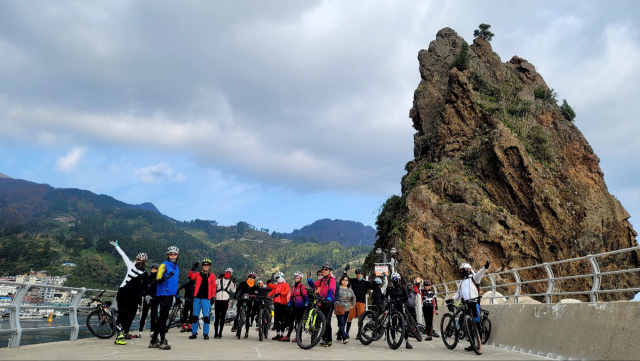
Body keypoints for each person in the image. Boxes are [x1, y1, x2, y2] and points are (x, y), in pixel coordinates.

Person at [109, 240, 147, 345]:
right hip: (123, 292)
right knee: (122, 313)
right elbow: (123, 255)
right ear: (137, 259)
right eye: (140, 260)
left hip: (134, 295)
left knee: (131, 314)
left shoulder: (144, 273)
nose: (141, 262)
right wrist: (117, 246)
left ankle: (126, 332)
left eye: (143, 260)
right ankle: (119, 335)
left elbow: (144, 286)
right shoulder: (130, 266)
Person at [453, 261, 490, 352]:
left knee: (476, 323)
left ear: (468, 269)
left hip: (474, 303)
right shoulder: (461, 283)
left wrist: (485, 267)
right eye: (461, 270)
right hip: (466, 305)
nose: (462, 272)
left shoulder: (474, 279)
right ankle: (472, 344)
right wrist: (451, 300)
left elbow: (480, 273)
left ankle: (478, 344)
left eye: (463, 270)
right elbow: (458, 294)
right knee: (469, 325)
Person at [150, 246, 180, 350]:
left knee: (163, 318)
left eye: (175, 254)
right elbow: (158, 279)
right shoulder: (164, 265)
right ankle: (162, 341)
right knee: (163, 319)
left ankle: (154, 340)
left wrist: (177, 295)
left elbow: (174, 283)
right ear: (168, 255)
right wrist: (165, 277)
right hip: (163, 295)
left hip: (170, 295)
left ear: (177, 255)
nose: (173, 256)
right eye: (171, 254)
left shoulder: (176, 267)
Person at [307, 262, 336, 347]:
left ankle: (329, 340)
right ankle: (324, 339)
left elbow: (331, 290)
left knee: (327, 322)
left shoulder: (332, 280)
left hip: (329, 303)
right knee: (322, 321)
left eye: (326, 269)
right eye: (323, 269)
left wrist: (329, 298)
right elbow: (313, 285)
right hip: (322, 302)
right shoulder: (322, 280)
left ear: (329, 271)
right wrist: (309, 278)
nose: (324, 270)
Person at [188, 258, 216, 340]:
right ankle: (194, 333)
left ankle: (205, 333)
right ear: (202, 266)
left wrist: (213, 297)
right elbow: (190, 278)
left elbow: (214, 287)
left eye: (207, 265)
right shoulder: (197, 274)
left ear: (209, 267)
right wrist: (192, 269)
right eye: (204, 265)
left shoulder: (212, 276)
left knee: (206, 317)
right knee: (195, 316)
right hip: (197, 298)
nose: (206, 267)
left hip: (206, 299)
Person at [343, 266, 372, 340]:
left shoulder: (366, 283)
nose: (358, 275)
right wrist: (345, 272)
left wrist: (376, 281)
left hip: (361, 301)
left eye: (359, 274)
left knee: (361, 318)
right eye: (356, 274)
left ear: (362, 274)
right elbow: (345, 279)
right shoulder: (353, 281)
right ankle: (347, 333)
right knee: (350, 318)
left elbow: (373, 286)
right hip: (353, 301)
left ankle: (359, 334)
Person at [386, 272, 413, 349]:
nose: (395, 280)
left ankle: (407, 342)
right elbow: (385, 297)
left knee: (403, 324)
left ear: (398, 280)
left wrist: (400, 299)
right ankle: (394, 340)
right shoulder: (390, 289)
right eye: (393, 279)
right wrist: (388, 301)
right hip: (392, 308)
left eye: (396, 279)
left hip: (400, 308)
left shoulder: (402, 289)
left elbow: (406, 298)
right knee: (393, 324)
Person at [233, 272, 260, 339]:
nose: (251, 279)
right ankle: (234, 325)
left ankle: (246, 332)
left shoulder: (255, 287)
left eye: (253, 278)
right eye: (250, 277)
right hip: (241, 300)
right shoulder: (243, 284)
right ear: (247, 277)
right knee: (238, 312)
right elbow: (237, 290)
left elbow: (258, 293)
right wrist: (235, 295)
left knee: (248, 316)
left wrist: (257, 297)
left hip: (249, 301)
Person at [283, 271, 308, 342]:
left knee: (299, 322)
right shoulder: (293, 286)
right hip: (294, 306)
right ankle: (288, 336)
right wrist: (289, 303)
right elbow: (291, 296)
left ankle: (299, 337)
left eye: (297, 277)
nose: (295, 278)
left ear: (300, 278)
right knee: (291, 321)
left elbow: (305, 296)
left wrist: (306, 304)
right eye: (295, 277)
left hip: (300, 307)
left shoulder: (302, 287)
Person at [213, 267, 236, 339]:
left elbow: (234, 291)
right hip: (218, 300)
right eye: (227, 272)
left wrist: (234, 283)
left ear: (231, 274)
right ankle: (216, 333)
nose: (228, 274)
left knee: (222, 317)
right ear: (225, 272)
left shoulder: (231, 282)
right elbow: (213, 284)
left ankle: (220, 333)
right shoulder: (219, 280)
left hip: (225, 301)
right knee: (217, 317)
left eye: (229, 273)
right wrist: (217, 278)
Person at [267, 271, 290, 341]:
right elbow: (270, 285)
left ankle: (282, 334)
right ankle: (277, 333)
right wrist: (268, 282)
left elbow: (286, 292)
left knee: (282, 319)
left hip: (283, 303)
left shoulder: (286, 285)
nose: (277, 279)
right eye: (276, 278)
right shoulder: (276, 285)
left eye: (278, 277)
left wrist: (280, 293)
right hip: (276, 303)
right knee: (277, 319)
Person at [138, 263, 159, 338]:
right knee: (144, 315)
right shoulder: (147, 278)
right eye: (152, 269)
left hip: (155, 299)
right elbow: (142, 288)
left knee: (153, 316)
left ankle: (152, 332)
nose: (153, 271)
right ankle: (140, 332)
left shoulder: (159, 279)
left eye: (155, 270)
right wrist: (143, 295)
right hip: (147, 298)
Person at [335, 275, 356, 344]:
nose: (345, 281)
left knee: (343, 322)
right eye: (343, 280)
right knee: (341, 322)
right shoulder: (337, 288)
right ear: (341, 281)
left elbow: (354, 297)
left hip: (347, 308)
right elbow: (334, 296)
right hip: (339, 307)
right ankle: (344, 337)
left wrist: (353, 305)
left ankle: (339, 335)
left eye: (346, 280)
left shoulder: (350, 289)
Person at [177, 262, 198, 333]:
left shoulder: (196, 284)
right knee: (185, 313)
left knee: (192, 314)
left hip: (193, 301)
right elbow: (179, 289)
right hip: (187, 300)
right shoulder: (187, 284)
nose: (192, 279)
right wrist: (177, 294)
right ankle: (183, 327)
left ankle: (189, 327)